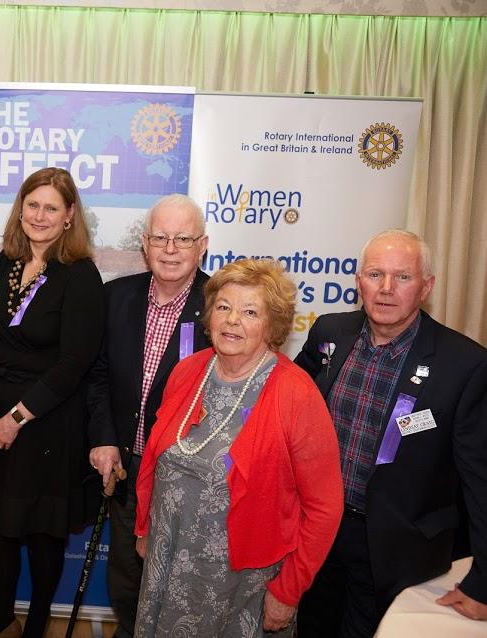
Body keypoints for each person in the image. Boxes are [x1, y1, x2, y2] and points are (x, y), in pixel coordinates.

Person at [134, 258, 343, 637]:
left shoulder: (296, 394)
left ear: (272, 325)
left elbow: (324, 507)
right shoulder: (187, 372)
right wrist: (146, 527)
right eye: (224, 307)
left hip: (240, 583)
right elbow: (154, 459)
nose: (232, 321)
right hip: (168, 561)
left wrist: (288, 590)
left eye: (250, 312)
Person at [295, 229, 487, 636]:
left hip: (398, 549)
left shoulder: (465, 366)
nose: (385, 289)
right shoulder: (329, 333)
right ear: (358, 281)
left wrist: (484, 581)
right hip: (319, 533)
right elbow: (288, 408)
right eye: (374, 274)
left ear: (426, 287)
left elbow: (481, 482)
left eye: (402, 277)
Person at [0, 167, 105, 638]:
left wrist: (15, 420)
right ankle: (1, 613)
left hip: (45, 423)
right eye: (32, 204)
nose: (39, 215)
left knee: (42, 534)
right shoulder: (6, 261)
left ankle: (37, 623)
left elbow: (74, 363)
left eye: (51, 207)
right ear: (20, 209)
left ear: (68, 217)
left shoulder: (81, 275)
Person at [85, 194, 211, 638]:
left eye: (182, 238)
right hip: (127, 466)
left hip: (189, 475)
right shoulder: (116, 296)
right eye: (160, 237)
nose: (171, 248)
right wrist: (103, 438)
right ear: (145, 244)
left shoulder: (222, 308)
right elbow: (97, 375)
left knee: (182, 583)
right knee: (126, 573)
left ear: (203, 245)